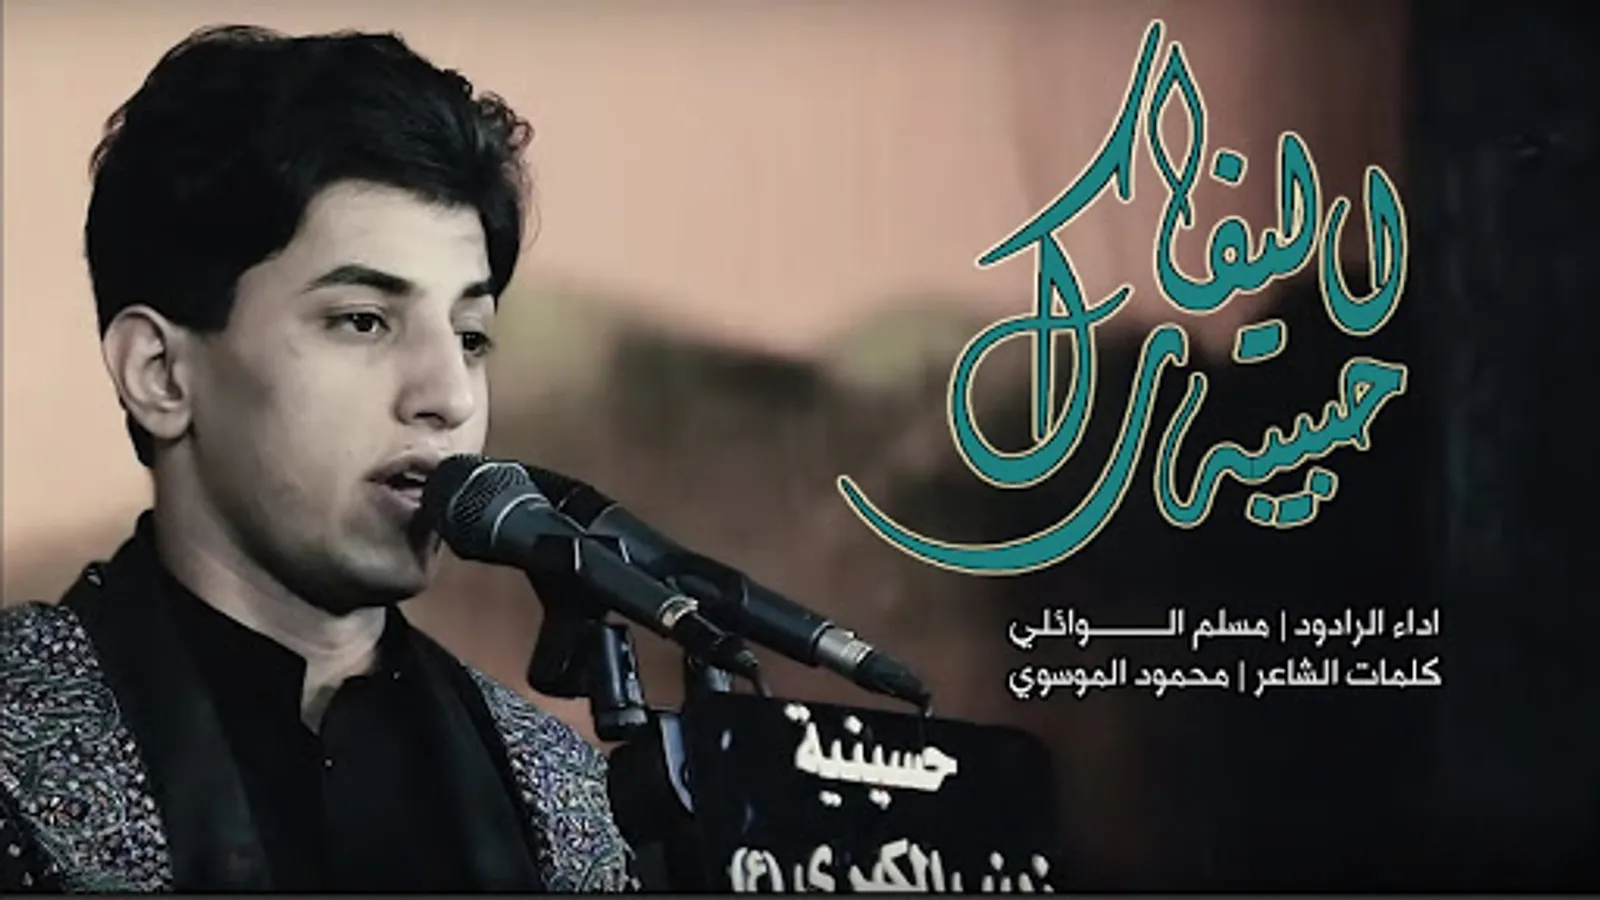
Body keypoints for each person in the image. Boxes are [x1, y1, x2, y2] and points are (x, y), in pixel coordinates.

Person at [0, 24, 635, 893]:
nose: (449, 395)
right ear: (160, 373)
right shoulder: (19, 741)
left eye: (471, 335)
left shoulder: (564, 801)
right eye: (363, 321)